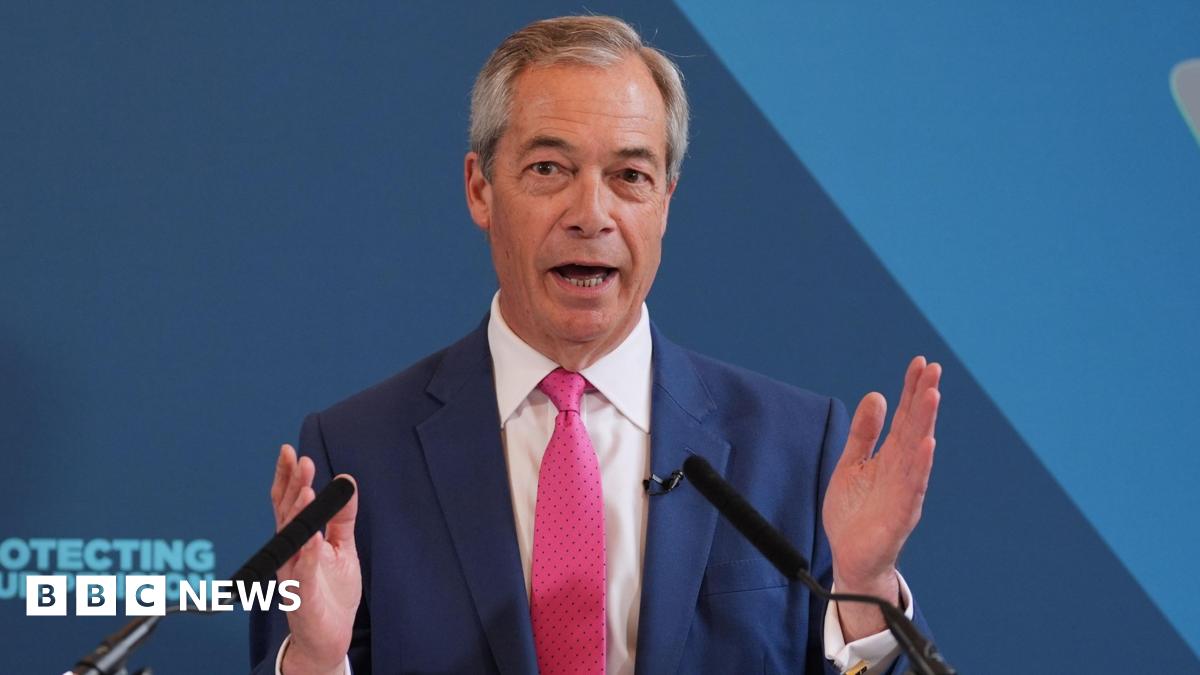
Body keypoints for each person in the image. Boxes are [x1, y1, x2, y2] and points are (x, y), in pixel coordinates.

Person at [250, 14, 941, 675]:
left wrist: (865, 588)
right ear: (480, 188)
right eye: (550, 168)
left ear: (665, 201)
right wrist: (314, 659)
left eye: (630, 176)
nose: (591, 214)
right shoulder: (356, 454)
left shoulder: (794, 447)